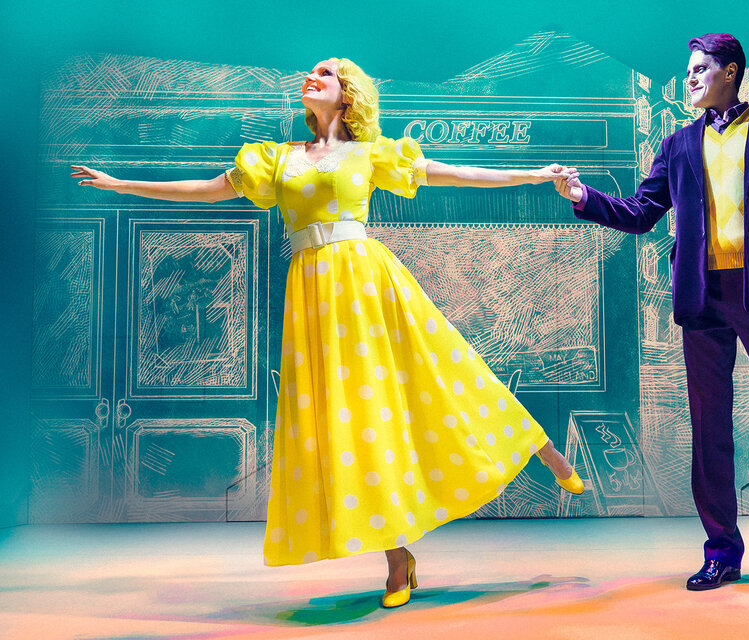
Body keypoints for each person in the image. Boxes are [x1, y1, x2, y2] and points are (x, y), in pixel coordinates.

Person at [72, 56, 584, 609]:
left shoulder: (371, 153)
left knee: (444, 367)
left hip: (366, 281)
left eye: (326, 73)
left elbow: (451, 173)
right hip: (313, 295)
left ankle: (543, 450)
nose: (311, 77)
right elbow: (209, 188)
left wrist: (534, 175)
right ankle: (398, 561)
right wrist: (123, 184)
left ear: (347, 94)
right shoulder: (276, 159)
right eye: (309, 72)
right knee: (355, 420)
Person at [554, 34, 749, 589]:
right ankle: (721, 554)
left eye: (699, 69)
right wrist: (583, 198)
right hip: (702, 297)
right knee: (709, 431)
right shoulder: (678, 145)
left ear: (730, 72)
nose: (689, 78)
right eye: (687, 70)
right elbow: (642, 213)